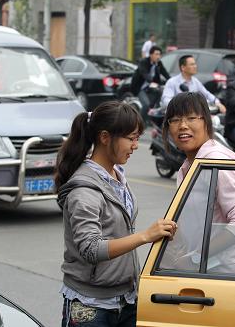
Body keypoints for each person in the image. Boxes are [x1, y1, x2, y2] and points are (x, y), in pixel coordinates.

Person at [55, 101, 177, 327]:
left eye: (137, 138)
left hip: (126, 298)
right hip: (91, 307)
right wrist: (145, 236)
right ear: (104, 137)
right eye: (131, 138)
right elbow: (90, 248)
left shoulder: (116, 174)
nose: (136, 146)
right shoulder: (84, 190)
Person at [161, 92, 235, 274]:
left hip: (224, 274)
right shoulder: (189, 165)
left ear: (206, 122)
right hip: (200, 271)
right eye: (175, 120)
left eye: (191, 118)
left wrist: (196, 258)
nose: (183, 126)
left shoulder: (217, 161)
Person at [161, 55, 226, 114]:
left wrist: (217, 103)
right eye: (192, 64)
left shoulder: (195, 81)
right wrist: (180, 105)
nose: (195, 66)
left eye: (195, 64)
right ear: (183, 67)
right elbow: (165, 100)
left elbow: (206, 94)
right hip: (177, 116)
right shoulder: (172, 82)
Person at [130, 45, 170, 124]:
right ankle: (139, 123)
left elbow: (165, 74)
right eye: (156, 54)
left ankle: (156, 119)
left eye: (159, 54)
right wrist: (151, 81)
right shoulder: (144, 62)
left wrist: (171, 81)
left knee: (161, 94)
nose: (158, 56)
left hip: (151, 87)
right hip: (140, 87)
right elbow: (144, 73)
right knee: (146, 104)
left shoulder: (158, 63)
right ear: (151, 55)